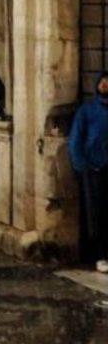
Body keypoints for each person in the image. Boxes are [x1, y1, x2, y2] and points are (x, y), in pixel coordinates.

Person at [68, 71, 108, 272]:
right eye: (103, 83)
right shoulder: (87, 110)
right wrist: (82, 165)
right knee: (95, 212)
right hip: (94, 167)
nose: (105, 86)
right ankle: (98, 254)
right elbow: (75, 139)